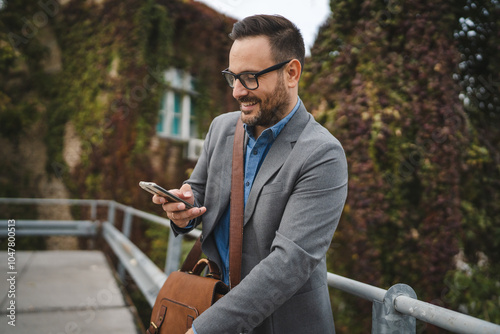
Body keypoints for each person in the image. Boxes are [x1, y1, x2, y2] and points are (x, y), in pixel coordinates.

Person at [152, 14, 348, 334]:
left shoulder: (323, 155)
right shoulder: (221, 128)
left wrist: (203, 330)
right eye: (233, 77)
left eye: (250, 77)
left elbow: (288, 265)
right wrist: (183, 210)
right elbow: (198, 191)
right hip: (212, 301)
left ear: (291, 72)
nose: (237, 92)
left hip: (282, 324)